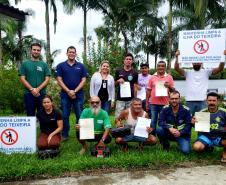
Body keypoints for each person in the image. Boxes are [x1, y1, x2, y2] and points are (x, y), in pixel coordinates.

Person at [174, 50, 226, 115]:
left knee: (202, 123)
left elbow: (220, 68)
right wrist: (177, 57)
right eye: (195, 62)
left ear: (201, 62)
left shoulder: (207, 72)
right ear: (192, 62)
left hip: (203, 101)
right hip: (189, 101)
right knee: (189, 121)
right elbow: (176, 68)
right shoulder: (187, 72)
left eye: (198, 61)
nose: (196, 63)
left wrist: (223, 56)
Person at [56, 46, 88, 141]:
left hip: (78, 95)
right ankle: (65, 134)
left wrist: (74, 91)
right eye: (70, 52)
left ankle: (82, 134)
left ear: (75, 54)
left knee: (80, 115)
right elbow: (59, 80)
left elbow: (83, 80)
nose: (71, 53)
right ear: (67, 53)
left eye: (73, 52)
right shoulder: (61, 66)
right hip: (65, 95)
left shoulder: (81, 66)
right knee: (65, 115)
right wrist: (68, 91)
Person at [192, 92, 226, 162]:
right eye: (210, 100)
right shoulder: (202, 112)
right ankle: (208, 147)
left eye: (214, 101)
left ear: (218, 101)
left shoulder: (224, 112)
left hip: (219, 137)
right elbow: (197, 127)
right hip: (206, 136)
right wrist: (193, 123)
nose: (212, 102)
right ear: (206, 101)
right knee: (197, 147)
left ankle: (224, 153)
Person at [19, 43, 51, 116]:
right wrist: (32, 89)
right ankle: (31, 128)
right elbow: (22, 78)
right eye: (34, 50)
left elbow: (47, 79)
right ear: (31, 50)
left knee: (42, 114)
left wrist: (38, 89)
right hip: (28, 93)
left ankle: (42, 128)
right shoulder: (25, 64)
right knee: (30, 114)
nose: (36, 51)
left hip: (41, 93)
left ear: (40, 51)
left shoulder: (44, 64)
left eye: (38, 50)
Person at [146, 61, 174, 134]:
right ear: (156, 67)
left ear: (165, 67)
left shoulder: (169, 77)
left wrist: (169, 86)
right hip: (153, 103)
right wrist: (146, 102)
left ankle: (163, 136)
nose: (160, 67)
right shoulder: (152, 77)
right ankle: (152, 136)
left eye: (162, 66)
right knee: (153, 120)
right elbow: (148, 90)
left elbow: (173, 91)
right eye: (159, 66)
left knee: (163, 121)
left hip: (165, 103)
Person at [115, 53, 138, 117]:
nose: (128, 60)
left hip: (130, 99)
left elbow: (135, 86)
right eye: (127, 59)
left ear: (132, 61)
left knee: (130, 116)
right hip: (120, 99)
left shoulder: (135, 72)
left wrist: (135, 98)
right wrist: (118, 81)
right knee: (118, 117)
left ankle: (129, 127)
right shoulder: (118, 71)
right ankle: (118, 127)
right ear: (124, 60)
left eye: (130, 59)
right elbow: (114, 84)